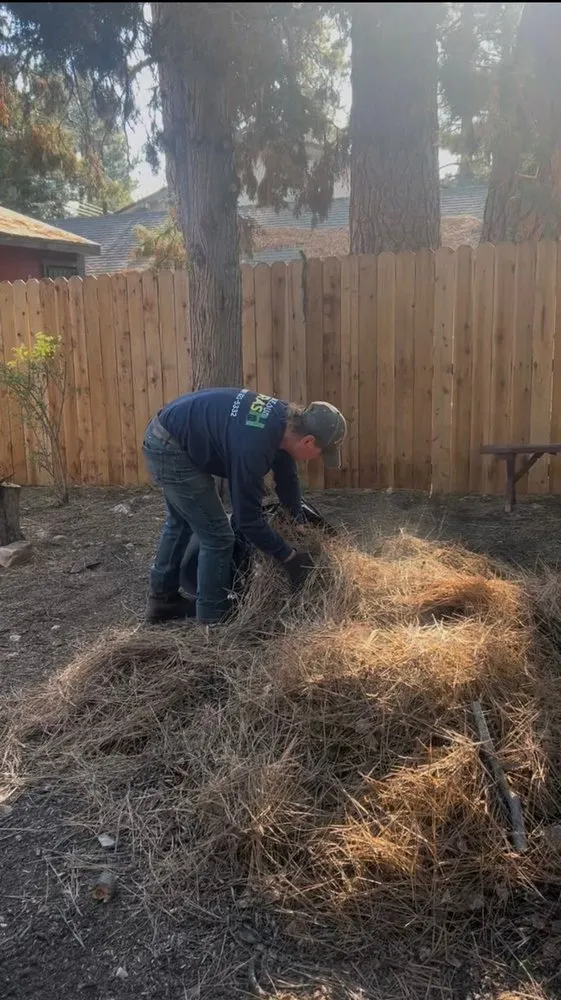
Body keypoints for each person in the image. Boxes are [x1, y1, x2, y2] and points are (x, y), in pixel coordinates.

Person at [142, 387, 347, 625]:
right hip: (170, 448)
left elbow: (287, 474)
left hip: (168, 432)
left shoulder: (284, 421)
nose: (315, 459)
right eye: (320, 453)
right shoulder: (253, 447)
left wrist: (297, 520)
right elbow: (247, 519)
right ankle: (213, 618)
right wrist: (289, 557)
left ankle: (162, 602)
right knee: (218, 537)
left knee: (181, 522)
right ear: (308, 440)